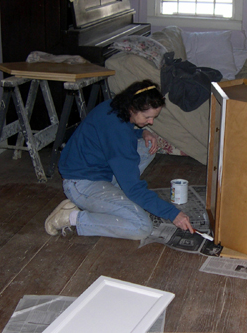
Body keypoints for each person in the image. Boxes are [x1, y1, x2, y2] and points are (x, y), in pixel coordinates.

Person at [44, 80, 194, 239]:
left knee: (147, 146)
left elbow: (112, 136)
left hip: (95, 170)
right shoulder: (117, 130)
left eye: (153, 117)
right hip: (81, 183)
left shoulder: (115, 107)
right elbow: (134, 188)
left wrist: (142, 133)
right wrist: (173, 213)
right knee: (141, 226)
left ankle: (106, 200)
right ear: (132, 108)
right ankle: (71, 217)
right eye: (147, 117)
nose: (151, 122)